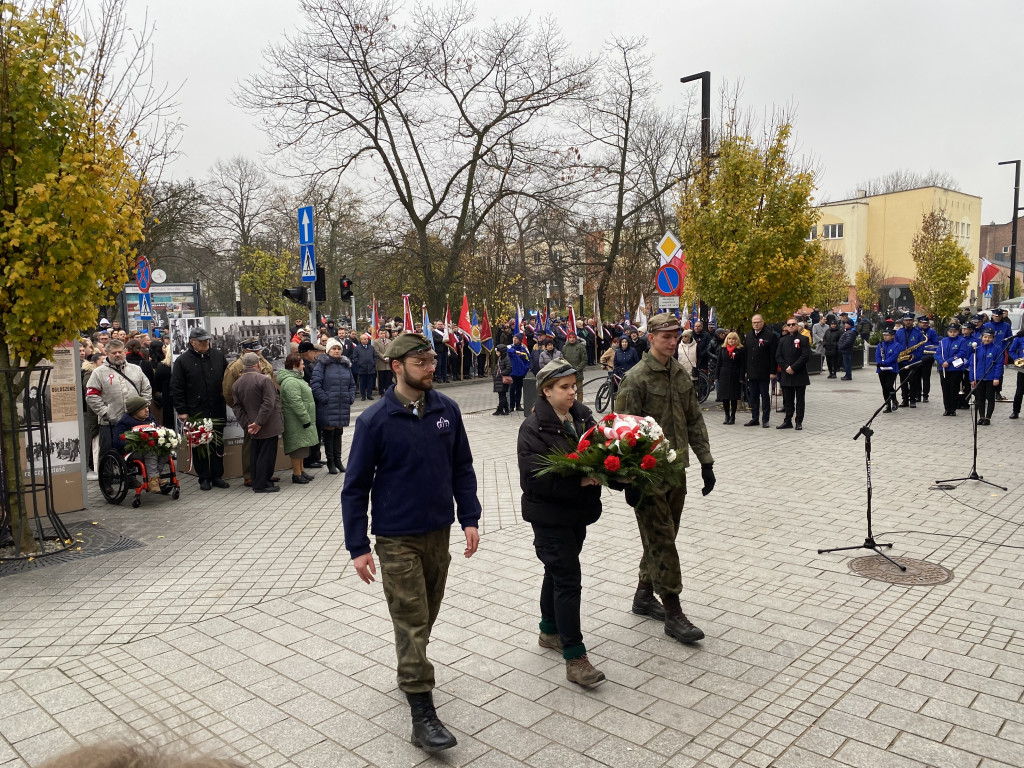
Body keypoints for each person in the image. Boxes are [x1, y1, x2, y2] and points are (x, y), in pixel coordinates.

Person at [341, 332, 481, 752]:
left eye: (432, 360)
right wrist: (358, 546)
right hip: (395, 537)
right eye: (421, 363)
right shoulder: (375, 420)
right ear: (397, 366)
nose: (430, 368)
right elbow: (355, 486)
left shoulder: (447, 409)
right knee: (411, 618)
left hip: (438, 531)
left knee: (426, 612)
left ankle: (409, 668)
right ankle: (423, 715)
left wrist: (469, 517)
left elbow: (463, 467)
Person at [613, 313, 715, 644]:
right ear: (651, 337)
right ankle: (674, 612)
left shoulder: (679, 372)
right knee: (662, 541)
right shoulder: (636, 379)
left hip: (676, 470)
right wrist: (627, 478)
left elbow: (694, 419)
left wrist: (706, 461)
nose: (673, 341)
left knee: (664, 534)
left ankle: (644, 595)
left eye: (676, 336)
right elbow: (622, 431)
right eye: (666, 336)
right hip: (648, 475)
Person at [517, 360, 605, 687]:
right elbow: (535, 479)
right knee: (568, 577)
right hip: (549, 516)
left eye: (574, 386)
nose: (573, 392)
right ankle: (575, 656)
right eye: (565, 387)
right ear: (546, 391)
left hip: (576, 514)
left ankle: (548, 631)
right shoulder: (532, 428)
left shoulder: (580, 417)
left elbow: (602, 448)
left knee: (554, 571)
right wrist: (579, 481)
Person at [170, 327, 229, 491]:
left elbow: (227, 379)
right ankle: (204, 477)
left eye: (207, 340)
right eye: (201, 341)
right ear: (192, 342)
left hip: (217, 407)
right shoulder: (183, 361)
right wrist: (181, 410)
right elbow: (177, 388)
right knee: (200, 444)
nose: (205, 343)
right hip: (196, 410)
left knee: (217, 444)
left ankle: (217, 476)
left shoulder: (218, 356)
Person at [223, 338, 277, 488]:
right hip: (249, 414)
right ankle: (249, 475)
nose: (258, 352)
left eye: (258, 350)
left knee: (266, 446)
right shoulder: (235, 367)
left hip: (266, 414)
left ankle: (264, 473)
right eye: (254, 351)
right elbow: (229, 393)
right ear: (245, 350)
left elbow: (270, 384)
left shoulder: (264, 363)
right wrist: (244, 416)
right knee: (250, 445)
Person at [85, 339, 153, 456]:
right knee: (109, 455)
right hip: (110, 423)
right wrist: (105, 412)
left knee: (135, 455)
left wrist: (142, 407)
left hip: (135, 421)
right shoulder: (98, 372)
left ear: (125, 351)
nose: (117, 355)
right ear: (107, 353)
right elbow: (91, 396)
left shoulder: (136, 369)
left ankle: (131, 474)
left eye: (120, 352)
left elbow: (146, 389)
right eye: (114, 352)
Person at [231, 352, 284, 492]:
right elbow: (268, 403)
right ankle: (261, 484)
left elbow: (237, 407)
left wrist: (248, 424)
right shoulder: (264, 380)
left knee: (255, 455)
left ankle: (261, 480)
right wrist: (258, 422)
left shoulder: (237, 383)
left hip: (252, 426)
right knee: (266, 455)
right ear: (258, 364)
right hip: (267, 425)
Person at [310, 338, 356, 475]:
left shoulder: (345, 365)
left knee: (339, 432)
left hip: (342, 405)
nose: (336, 351)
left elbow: (352, 385)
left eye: (338, 349)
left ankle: (338, 460)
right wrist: (326, 399)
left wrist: (350, 397)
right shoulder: (321, 365)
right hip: (328, 405)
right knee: (329, 433)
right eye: (333, 349)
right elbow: (316, 385)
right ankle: (330, 462)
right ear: (328, 350)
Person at [278, 353, 320, 484]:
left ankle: (301, 471)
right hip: (296, 420)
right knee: (297, 447)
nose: (303, 366)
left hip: (300, 420)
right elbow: (296, 403)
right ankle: (296, 474)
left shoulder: (296, 378)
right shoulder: (291, 382)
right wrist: (305, 418)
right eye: (301, 364)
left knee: (302, 446)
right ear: (295, 366)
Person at [113, 395, 169, 493]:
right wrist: (136, 443)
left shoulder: (151, 418)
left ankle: (154, 478)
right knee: (150, 452)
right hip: (132, 451)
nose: (147, 410)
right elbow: (118, 441)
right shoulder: (124, 422)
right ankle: (153, 480)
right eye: (143, 409)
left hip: (150, 448)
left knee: (165, 451)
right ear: (134, 411)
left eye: (147, 407)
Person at [743, 314, 778, 428]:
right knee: (753, 396)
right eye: (754, 322)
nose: (756, 324)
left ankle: (765, 419)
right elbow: (746, 354)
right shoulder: (748, 335)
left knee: (764, 395)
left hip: (764, 372)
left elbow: (773, 355)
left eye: (758, 322)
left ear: (762, 322)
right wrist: (746, 370)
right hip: (752, 371)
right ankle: (755, 418)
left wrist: (773, 372)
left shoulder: (770, 335)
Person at [776, 317, 811, 430]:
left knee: (800, 400)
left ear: (797, 325)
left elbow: (805, 356)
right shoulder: (782, 340)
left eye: (793, 324)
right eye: (789, 325)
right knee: (788, 400)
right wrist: (786, 367)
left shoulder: (804, 339)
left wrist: (794, 367)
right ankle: (787, 421)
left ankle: (799, 421)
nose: (791, 326)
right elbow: (778, 356)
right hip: (786, 373)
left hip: (799, 374)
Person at [297, 340, 325, 468]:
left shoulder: (313, 364)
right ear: (308, 352)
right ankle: (310, 459)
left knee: (317, 430)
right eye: (314, 351)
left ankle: (316, 456)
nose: (315, 354)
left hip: (315, 401)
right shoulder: (303, 365)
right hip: (309, 401)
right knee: (311, 431)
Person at [970, 329, 1003, 426]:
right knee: (980, 398)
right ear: (982, 338)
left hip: (991, 377)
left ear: (993, 338)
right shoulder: (977, 349)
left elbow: (999, 364)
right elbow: (973, 364)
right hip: (980, 377)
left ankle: (988, 417)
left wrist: (997, 377)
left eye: (989, 337)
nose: (987, 339)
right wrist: (972, 378)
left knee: (990, 397)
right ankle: (981, 416)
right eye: (985, 337)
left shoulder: (997, 349)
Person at [937, 323, 970, 417]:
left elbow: (962, 353)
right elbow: (938, 353)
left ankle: (953, 409)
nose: (952, 333)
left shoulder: (962, 341)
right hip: (944, 368)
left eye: (954, 332)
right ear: (947, 332)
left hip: (956, 368)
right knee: (945, 389)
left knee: (954, 389)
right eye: (950, 332)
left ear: (958, 332)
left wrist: (949, 361)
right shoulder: (943, 341)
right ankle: (947, 408)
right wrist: (942, 361)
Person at [715, 331, 745, 424]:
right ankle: (727, 415)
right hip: (724, 374)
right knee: (725, 397)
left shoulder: (740, 350)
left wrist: (741, 377)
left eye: (733, 339)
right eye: (729, 338)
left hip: (735, 374)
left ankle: (733, 416)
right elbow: (719, 362)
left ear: (737, 340)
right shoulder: (722, 349)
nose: (731, 340)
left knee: (733, 397)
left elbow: (742, 365)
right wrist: (717, 375)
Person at [895, 313, 924, 408]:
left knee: (913, 381)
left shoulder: (918, 332)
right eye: (906, 320)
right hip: (902, 360)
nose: (908, 322)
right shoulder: (899, 332)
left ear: (913, 321)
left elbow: (921, 347)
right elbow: (896, 345)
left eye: (910, 320)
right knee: (903, 381)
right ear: (903, 321)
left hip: (913, 361)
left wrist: (915, 357)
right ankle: (905, 399)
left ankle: (912, 400)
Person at [875, 327, 902, 413]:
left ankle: (894, 400)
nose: (885, 337)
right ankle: (888, 405)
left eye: (887, 335)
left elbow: (894, 356)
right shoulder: (880, 345)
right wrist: (879, 362)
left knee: (889, 386)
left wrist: (885, 363)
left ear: (892, 336)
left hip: (892, 369)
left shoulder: (896, 345)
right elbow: (877, 355)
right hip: (881, 369)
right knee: (884, 388)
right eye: (884, 335)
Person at [561, 330, 588, 401]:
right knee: (568, 391)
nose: (572, 339)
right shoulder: (565, 347)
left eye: (573, 337)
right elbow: (562, 359)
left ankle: (579, 404)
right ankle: (569, 403)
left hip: (578, 372)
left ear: (576, 338)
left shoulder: (580, 347)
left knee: (579, 390)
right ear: (568, 338)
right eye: (570, 337)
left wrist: (578, 368)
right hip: (568, 373)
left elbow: (584, 360)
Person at [917, 316, 939, 401]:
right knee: (917, 377)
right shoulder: (916, 331)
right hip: (917, 357)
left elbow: (935, 344)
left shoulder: (932, 332)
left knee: (926, 377)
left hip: (928, 357)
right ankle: (917, 395)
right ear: (919, 323)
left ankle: (925, 395)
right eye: (923, 323)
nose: (925, 324)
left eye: (926, 323)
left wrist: (925, 347)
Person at [352, 333, 377, 401]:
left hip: (371, 368)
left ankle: (369, 395)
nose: (367, 340)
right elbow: (355, 357)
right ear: (361, 340)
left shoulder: (371, 347)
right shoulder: (357, 348)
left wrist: (373, 363)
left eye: (367, 339)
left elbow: (375, 356)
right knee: (362, 383)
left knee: (370, 383)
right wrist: (360, 364)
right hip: (362, 369)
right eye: (365, 339)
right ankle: (363, 396)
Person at [508, 335, 530, 412]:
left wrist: (525, 369)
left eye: (516, 338)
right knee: (512, 389)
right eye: (514, 338)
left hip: (521, 373)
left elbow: (527, 360)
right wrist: (515, 352)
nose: (514, 339)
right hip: (512, 373)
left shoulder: (523, 349)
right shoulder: (510, 347)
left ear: (520, 340)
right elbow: (504, 350)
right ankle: (511, 406)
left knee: (519, 389)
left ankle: (518, 405)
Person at [1008, 328, 1024, 419]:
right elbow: (1011, 350)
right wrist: (1017, 359)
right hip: (1022, 368)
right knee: (1019, 391)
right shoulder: (1020, 336)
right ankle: (1015, 411)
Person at [374, 329, 393, 394]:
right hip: (381, 363)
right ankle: (381, 392)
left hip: (388, 363)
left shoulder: (389, 341)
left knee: (388, 378)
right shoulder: (376, 342)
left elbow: (391, 350)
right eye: (381, 333)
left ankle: (388, 391)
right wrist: (384, 358)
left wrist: (388, 357)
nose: (383, 335)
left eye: (384, 333)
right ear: (378, 334)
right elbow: (377, 351)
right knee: (381, 379)